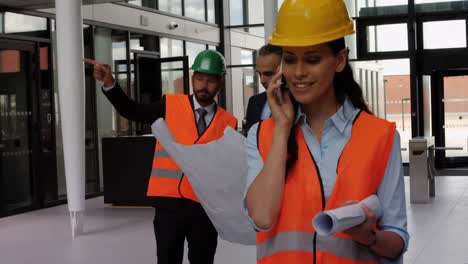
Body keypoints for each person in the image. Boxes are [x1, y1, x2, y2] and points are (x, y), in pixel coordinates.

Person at [244, 0, 409, 263]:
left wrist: (369, 237)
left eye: (312, 60)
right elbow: (261, 218)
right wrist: (282, 129)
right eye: (289, 60)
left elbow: (396, 240)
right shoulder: (261, 135)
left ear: (340, 60)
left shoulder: (380, 136)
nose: (298, 72)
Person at [91, 50, 237, 264]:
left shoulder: (229, 123)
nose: (204, 85)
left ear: (221, 82)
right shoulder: (169, 106)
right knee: (167, 259)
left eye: (211, 80)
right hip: (169, 206)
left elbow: (229, 170)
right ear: (192, 78)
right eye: (199, 79)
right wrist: (111, 84)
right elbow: (132, 111)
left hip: (205, 208)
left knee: (203, 259)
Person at [244, 44, 282, 133]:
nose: (262, 80)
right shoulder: (254, 102)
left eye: (268, 74)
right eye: (259, 74)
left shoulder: (302, 104)